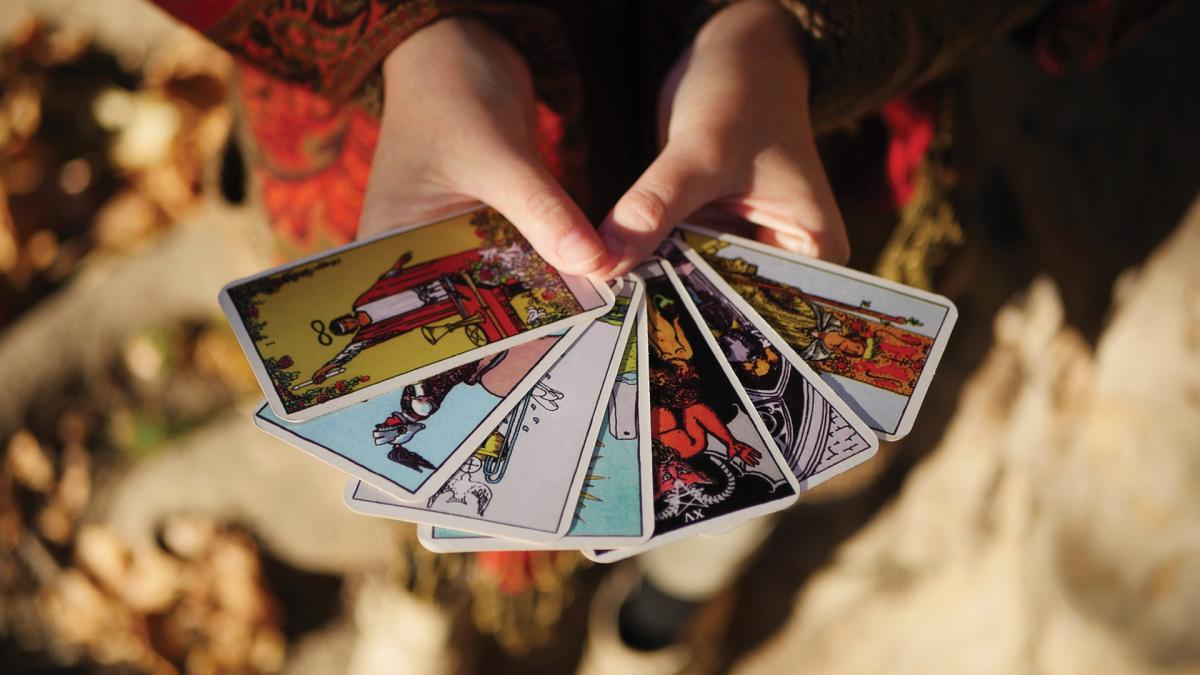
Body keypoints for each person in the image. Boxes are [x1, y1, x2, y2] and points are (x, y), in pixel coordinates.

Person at [148, 0, 1175, 658]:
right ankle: (434, 599)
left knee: (753, 439)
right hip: (417, 156)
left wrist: (782, 37)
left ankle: (658, 623)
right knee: (436, 444)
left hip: (790, 142)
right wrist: (415, 43)